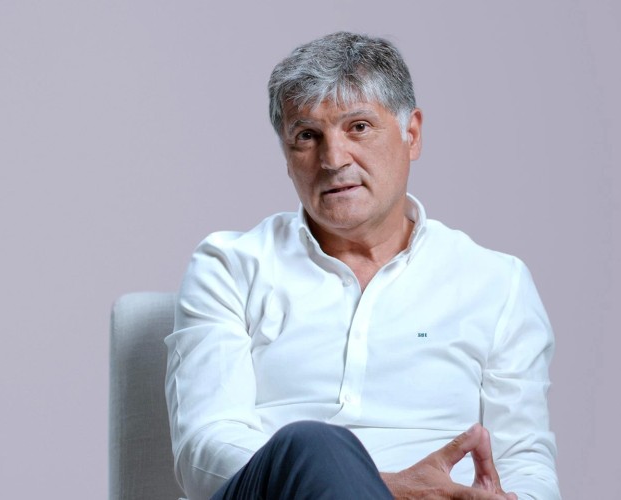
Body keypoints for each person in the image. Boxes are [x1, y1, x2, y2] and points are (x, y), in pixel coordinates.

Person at [165, 31, 560, 500]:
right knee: (311, 444)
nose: (333, 159)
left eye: (358, 127)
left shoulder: (496, 282)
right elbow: (204, 450)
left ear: (411, 134)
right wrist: (389, 489)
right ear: (286, 156)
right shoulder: (230, 267)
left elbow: (524, 461)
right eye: (306, 136)